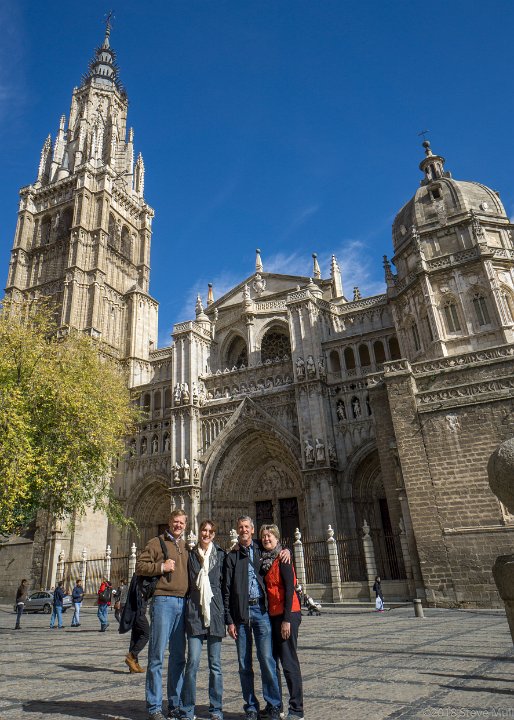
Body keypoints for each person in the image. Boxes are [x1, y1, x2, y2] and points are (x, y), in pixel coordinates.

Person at [223, 515, 282, 720]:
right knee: (244, 664)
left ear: (252, 529)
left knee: (267, 659)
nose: (244, 530)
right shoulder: (231, 556)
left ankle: (274, 705)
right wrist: (229, 620)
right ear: (237, 530)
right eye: (240, 527)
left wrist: (287, 551)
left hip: (261, 611)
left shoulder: (260, 548)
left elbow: (276, 548)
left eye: (247, 527)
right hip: (240, 615)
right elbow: (226, 590)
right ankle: (251, 707)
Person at [135, 509, 189, 720]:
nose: (178, 525)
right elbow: (140, 566)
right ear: (169, 522)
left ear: (185, 525)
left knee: (178, 658)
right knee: (156, 656)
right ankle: (154, 707)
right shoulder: (156, 542)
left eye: (181, 522)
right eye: (175, 522)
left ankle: (174, 705)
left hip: (182, 603)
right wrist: (161, 567)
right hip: (163, 602)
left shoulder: (186, 546)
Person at [180, 519, 225, 720]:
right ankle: (187, 709)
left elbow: (225, 586)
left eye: (210, 531)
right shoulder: (190, 555)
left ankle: (216, 709)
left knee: (215, 665)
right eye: (203, 530)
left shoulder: (221, 555)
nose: (206, 534)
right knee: (192, 663)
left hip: (214, 613)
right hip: (195, 614)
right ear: (199, 532)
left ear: (214, 534)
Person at [260, 524, 304, 720]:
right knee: (272, 661)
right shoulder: (264, 559)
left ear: (277, 538)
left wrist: (287, 619)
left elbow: (290, 589)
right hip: (272, 615)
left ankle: (297, 709)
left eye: (270, 536)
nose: (266, 539)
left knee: (288, 661)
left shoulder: (283, 558)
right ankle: (275, 706)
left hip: (287, 614)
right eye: (264, 536)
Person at [119, 574, 150, 674]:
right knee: (146, 634)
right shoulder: (141, 576)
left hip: (136, 612)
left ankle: (134, 665)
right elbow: (138, 594)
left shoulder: (138, 576)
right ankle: (132, 656)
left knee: (135, 637)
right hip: (138, 613)